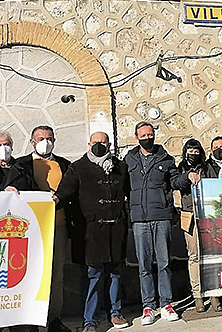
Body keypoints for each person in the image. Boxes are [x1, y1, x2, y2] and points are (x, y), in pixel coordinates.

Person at [124, 122, 199, 325]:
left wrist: (187, 177)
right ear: (136, 137)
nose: (147, 137)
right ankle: (148, 307)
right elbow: (123, 186)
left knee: (165, 263)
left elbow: (174, 181)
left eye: (150, 134)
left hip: (162, 217)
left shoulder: (166, 159)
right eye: (143, 135)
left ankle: (166, 304)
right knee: (144, 265)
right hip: (139, 220)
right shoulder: (129, 159)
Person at [54, 132, 130, 332]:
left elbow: (128, 194)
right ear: (89, 144)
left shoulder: (120, 167)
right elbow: (65, 191)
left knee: (115, 273)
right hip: (90, 232)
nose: (99, 145)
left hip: (115, 229)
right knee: (92, 275)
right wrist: (56, 200)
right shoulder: (77, 168)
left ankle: (115, 312)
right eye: (95, 142)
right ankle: (90, 321)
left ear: (109, 144)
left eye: (102, 142)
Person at [4, 125, 74, 332]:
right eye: (41, 138)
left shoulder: (64, 165)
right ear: (32, 142)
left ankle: (53, 319)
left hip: (58, 225)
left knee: (56, 275)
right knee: (29, 274)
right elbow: (11, 188)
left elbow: (70, 189)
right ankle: (30, 321)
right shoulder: (22, 165)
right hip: (30, 230)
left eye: (49, 138)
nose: (46, 142)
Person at [176, 138, 222, 313]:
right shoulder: (180, 168)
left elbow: (217, 185)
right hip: (189, 216)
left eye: (196, 151)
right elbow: (176, 183)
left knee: (210, 255)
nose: (193, 154)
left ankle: (214, 294)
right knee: (194, 256)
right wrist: (187, 176)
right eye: (190, 151)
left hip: (208, 216)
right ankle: (198, 296)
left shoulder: (208, 167)